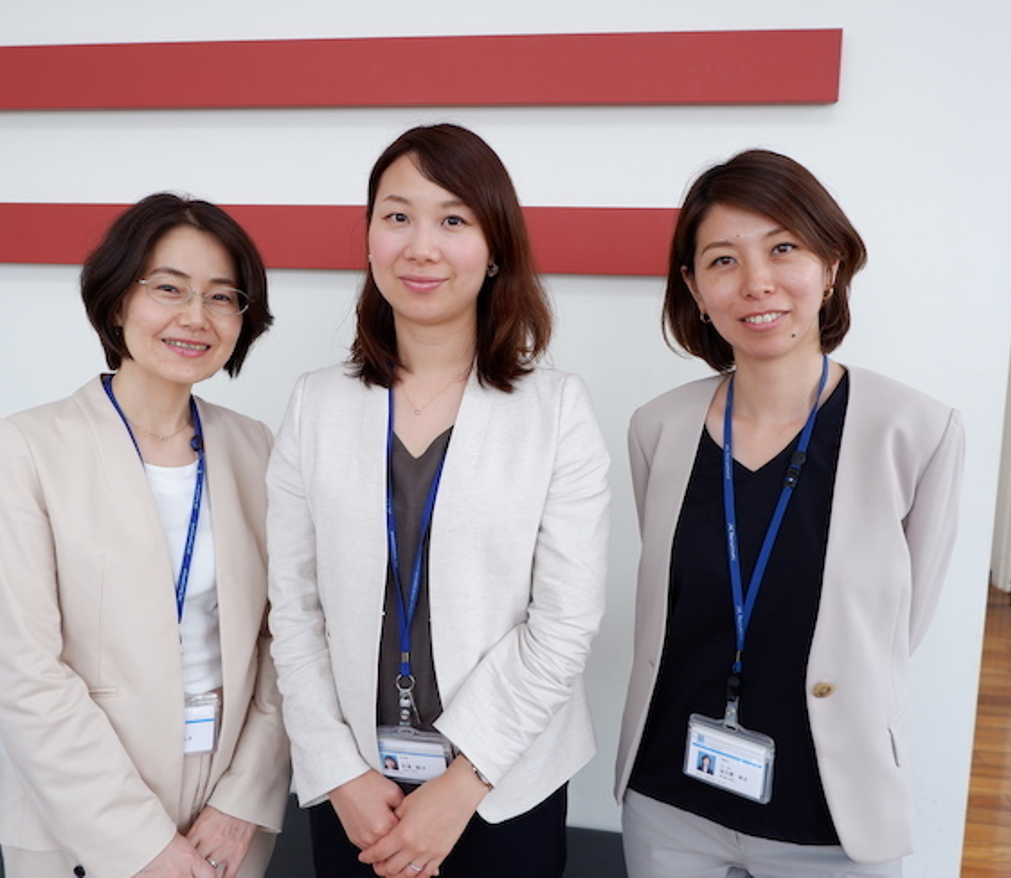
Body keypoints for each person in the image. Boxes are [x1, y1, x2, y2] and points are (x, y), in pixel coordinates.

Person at [267, 123, 611, 878]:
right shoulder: (315, 404)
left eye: (453, 220)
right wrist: (339, 771)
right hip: (357, 790)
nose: (421, 247)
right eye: (398, 216)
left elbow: (565, 620)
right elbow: (293, 609)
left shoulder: (556, 409)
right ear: (368, 240)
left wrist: (463, 783)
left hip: (503, 787)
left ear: (495, 249)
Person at [615, 150, 964, 877]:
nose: (757, 282)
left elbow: (897, 628)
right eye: (723, 260)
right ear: (694, 287)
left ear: (830, 265)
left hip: (832, 814)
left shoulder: (916, 431)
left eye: (783, 248)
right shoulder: (658, 428)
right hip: (671, 803)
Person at [0, 194, 290, 878]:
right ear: (118, 301)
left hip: (224, 811)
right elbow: (26, 672)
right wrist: (140, 842)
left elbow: (285, 639)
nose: (195, 316)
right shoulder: (29, 446)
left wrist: (243, 798)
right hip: (77, 813)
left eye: (221, 296)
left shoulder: (255, 447)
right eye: (169, 288)